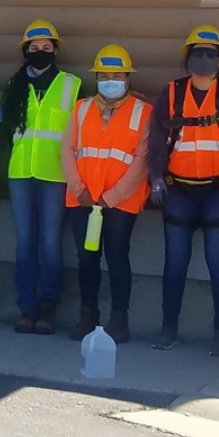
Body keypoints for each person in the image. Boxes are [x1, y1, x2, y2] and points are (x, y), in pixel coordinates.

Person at [148, 26, 219, 356]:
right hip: (177, 191)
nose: (204, 59)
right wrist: (155, 177)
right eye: (197, 53)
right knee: (175, 263)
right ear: (187, 59)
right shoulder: (171, 93)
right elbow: (155, 141)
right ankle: (169, 329)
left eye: (211, 54)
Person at [62, 45, 151, 344]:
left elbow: (142, 160)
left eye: (116, 74)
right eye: (103, 75)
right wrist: (79, 189)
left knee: (116, 257)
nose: (109, 79)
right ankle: (88, 316)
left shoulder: (143, 112)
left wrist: (111, 197)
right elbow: (67, 149)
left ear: (127, 77)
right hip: (82, 200)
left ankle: (119, 320)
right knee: (86, 258)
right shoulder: (81, 108)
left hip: (120, 202)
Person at [1, 20, 81, 334]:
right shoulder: (13, 85)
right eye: (34, 48)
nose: (40, 51)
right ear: (25, 51)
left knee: (49, 245)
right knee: (24, 244)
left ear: (55, 50)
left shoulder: (71, 85)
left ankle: (47, 309)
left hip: (56, 174)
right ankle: (26, 308)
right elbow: (7, 129)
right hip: (20, 172)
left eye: (47, 47)